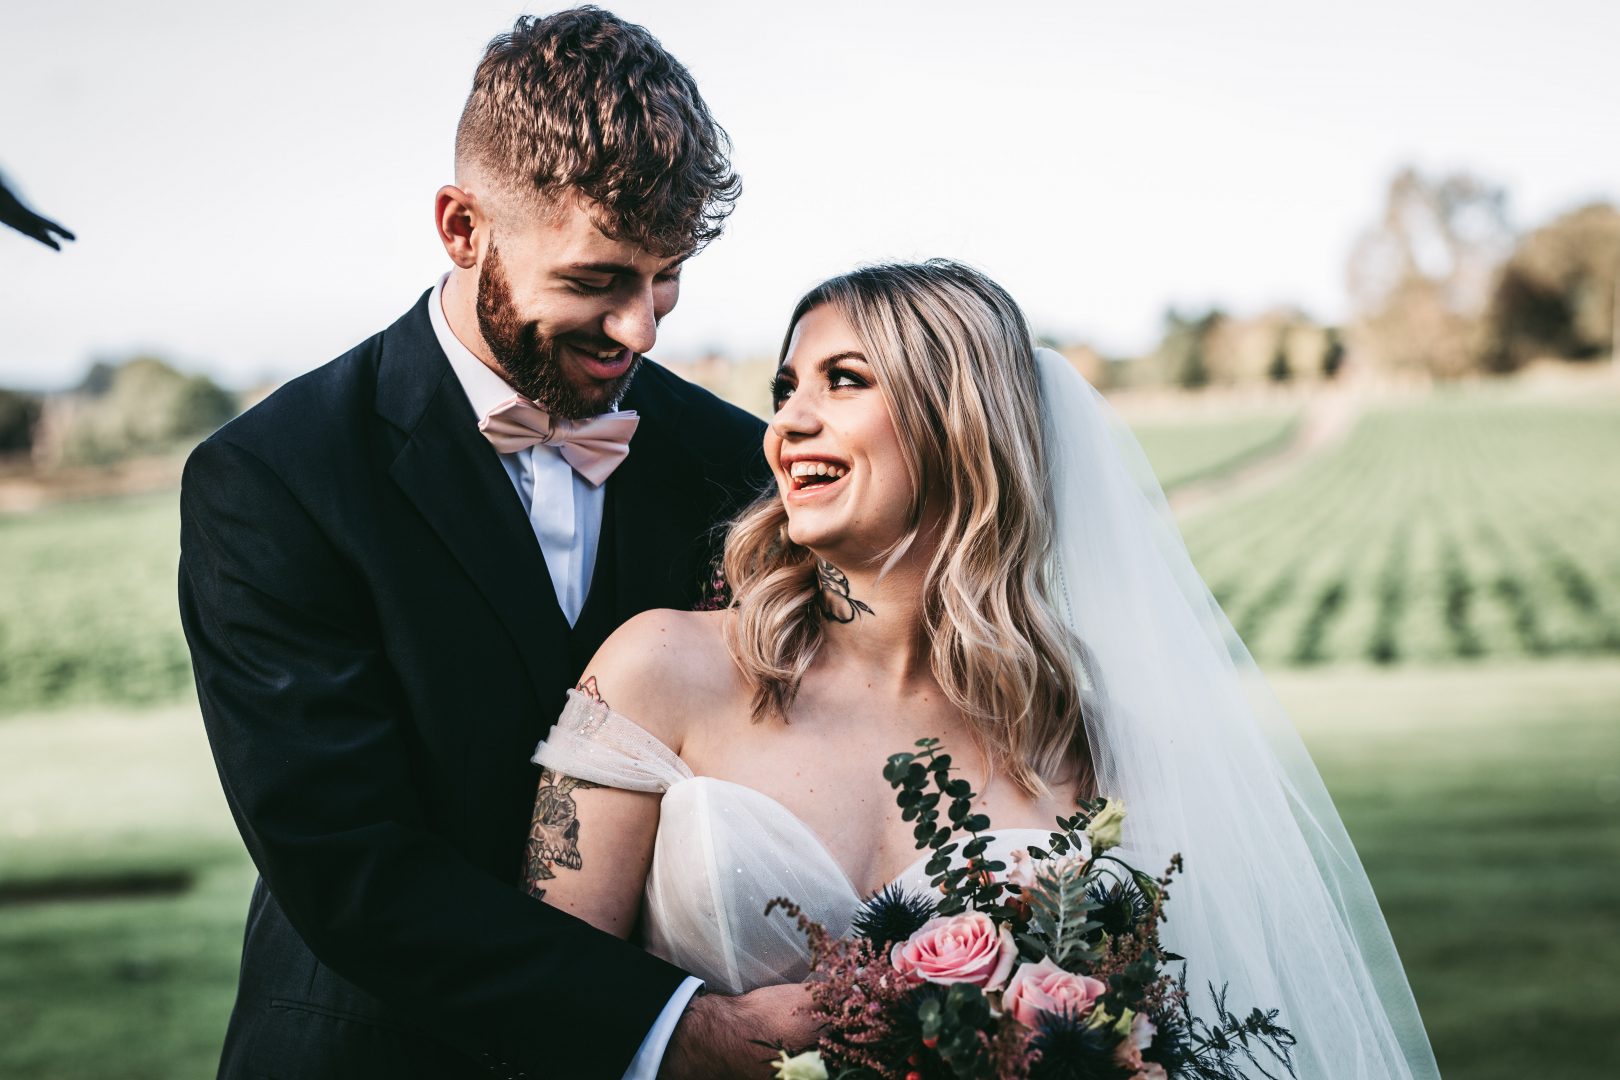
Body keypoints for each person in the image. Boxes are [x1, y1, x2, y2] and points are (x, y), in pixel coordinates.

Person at [526, 260, 1444, 1079]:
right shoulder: (660, 670)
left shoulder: (1073, 740)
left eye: (844, 381)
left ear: (957, 425)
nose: (787, 422)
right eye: (786, 387)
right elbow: (534, 1006)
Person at [179, 10, 813, 1079]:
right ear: (463, 228)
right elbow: (352, 871)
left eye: (667, 277)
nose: (642, 332)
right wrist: (672, 1031)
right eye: (598, 279)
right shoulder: (274, 479)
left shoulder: (727, 460)